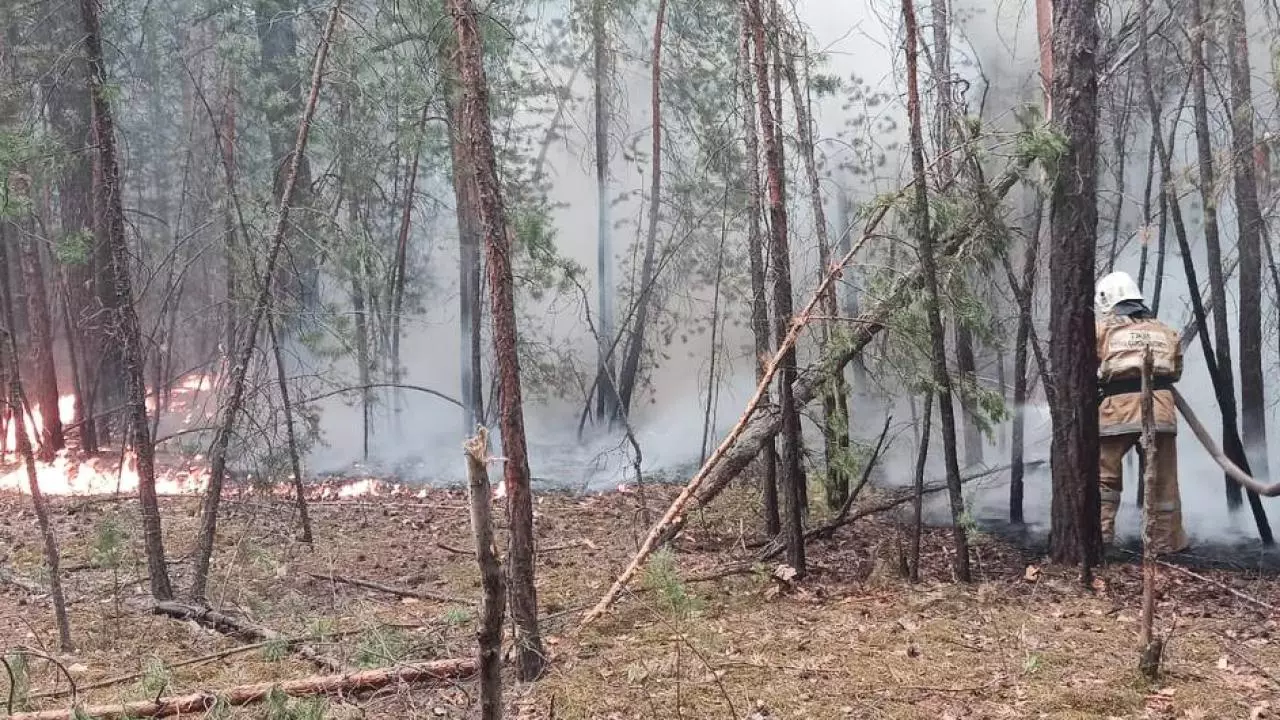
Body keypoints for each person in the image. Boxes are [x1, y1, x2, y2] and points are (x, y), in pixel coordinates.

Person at [1095, 271, 1189, 554]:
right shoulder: (1166, 331)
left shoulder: (1102, 330)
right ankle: (1165, 544)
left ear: (1107, 300)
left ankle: (1100, 537)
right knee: (1163, 482)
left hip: (1117, 411)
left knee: (1104, 476)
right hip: (1160, 411)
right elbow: (1175, 372)